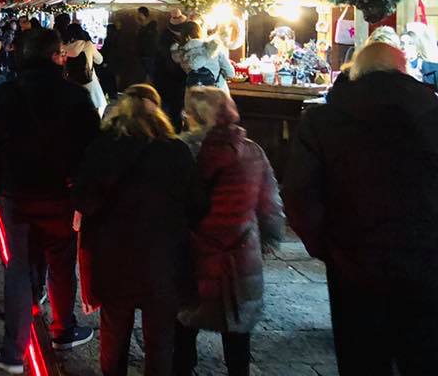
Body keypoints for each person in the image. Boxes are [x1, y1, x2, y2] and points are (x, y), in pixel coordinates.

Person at [283, 42, 438, 375]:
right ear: (403, 70)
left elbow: (298, 193)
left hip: (353, 263)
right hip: (426, 262)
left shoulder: (323, 120)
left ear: (355, 72)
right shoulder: (432, 114)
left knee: (362, 359)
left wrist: (326, 245)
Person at [0, 28, 100, 373]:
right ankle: (63, 329)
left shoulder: (5, 95)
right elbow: (93, 148)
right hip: (61, 194)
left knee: (18, 267)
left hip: (16, 193)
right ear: (55, 57)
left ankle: (14, 350)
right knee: (61, 262)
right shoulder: (75, 97)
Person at [74, 84, 206, 376]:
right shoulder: (176, 151)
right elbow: (197, 206)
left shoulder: (102, 149)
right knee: (160, 340)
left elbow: (84, 200)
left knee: (114, 333)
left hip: (114, 258)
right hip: (163, 260)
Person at [174, 88, 283, 376]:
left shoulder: (183, 152)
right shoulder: (252, 151)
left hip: (194, 255)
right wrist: (269, 241)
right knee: (238, 331)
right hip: (240, 254)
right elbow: (270, 204)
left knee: (184, 327)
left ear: (192, 116)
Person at [171, 21, 235, 93]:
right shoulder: (214, 47)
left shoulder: (182, 54)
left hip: (194, 93)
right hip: (217, 91)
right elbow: (231, 73)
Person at [153, 9, 188, 131]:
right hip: (172, 83)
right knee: (172, 113)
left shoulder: (164, 37)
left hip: (163, 82)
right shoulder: (172, 43)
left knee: (167, 112)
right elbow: (172, 66)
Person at [63, 23, 106, 116]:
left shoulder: (64, 48)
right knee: (94, 107)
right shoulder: (88, 45)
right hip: (89, 81)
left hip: (71, 81)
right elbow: (99, 60)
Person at [400, 23, 438, 89]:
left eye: (410, 43)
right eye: (402, 43)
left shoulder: (434, 70)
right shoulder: (396, 72)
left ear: (418, 48)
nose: (404, 47)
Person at [99, 23, 122, 99]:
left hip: (108, 62)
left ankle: (107, 93)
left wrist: (105, 62)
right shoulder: (117, 38)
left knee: (107, 78)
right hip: (115, 62)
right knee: (112, 78)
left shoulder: (109, 39)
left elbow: (106, 51)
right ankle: (112, 94)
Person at [136, 7, 159, 80]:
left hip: (148, 55)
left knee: (149, 75)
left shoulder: (149, 28)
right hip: (146, 55)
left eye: (138, 14)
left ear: (142, 14)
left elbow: (146, 41)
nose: (137, 16)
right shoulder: (145, 27)